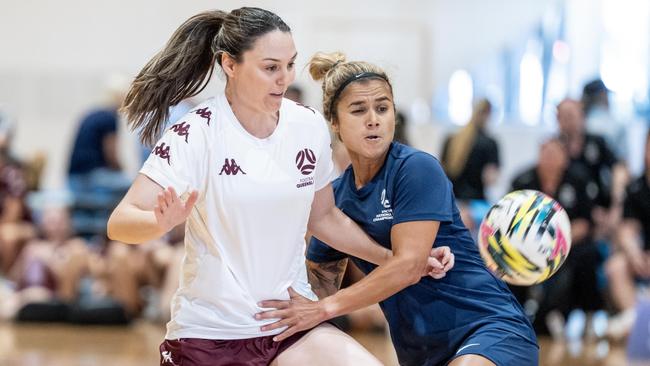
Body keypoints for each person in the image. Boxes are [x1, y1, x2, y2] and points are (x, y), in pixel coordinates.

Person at [107, 8, 450, 366]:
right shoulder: (196, 133)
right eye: (270, 67)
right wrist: (159, 223)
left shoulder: (308, 125)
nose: (283, 78)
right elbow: (120, 222)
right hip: (210, 335)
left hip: (288, 323)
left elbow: (325, 217)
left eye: (290, 65)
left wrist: (391, 259)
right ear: (230, 64)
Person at [256, 52, 537, 366]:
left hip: (488, 327)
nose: (373, 119)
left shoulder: (416, 169)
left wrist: (324, 309)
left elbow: (408, 266)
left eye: (382, 108)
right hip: (420, 351)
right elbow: (320, 281)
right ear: (334, 123)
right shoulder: (334, 201)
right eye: (359, 110)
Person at [510, 138, 600, 338]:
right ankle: (513, 317)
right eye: (546, 154)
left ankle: (575, 315)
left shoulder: (579, 180)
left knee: (587, 256)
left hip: (568, 243)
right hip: (529, 242)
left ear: (565, 159)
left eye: (555, 155)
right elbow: (510, 221)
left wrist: (557, 239)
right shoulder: (522, 181)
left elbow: (584, 222)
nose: (550, 159)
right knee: (509, 258)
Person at [605, 129, 650, 340]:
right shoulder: (635, 189)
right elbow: (626, 229)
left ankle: (634, 321)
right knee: (615, 266)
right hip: (641, 257)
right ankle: (641, 324)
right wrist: (634, 253)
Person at [441, 98, 500, 201]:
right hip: (476, 205)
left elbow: (442, 172)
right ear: (488, 114)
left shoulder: (451, 139)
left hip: (451, 202)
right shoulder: (490, 143)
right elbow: (490, 179)